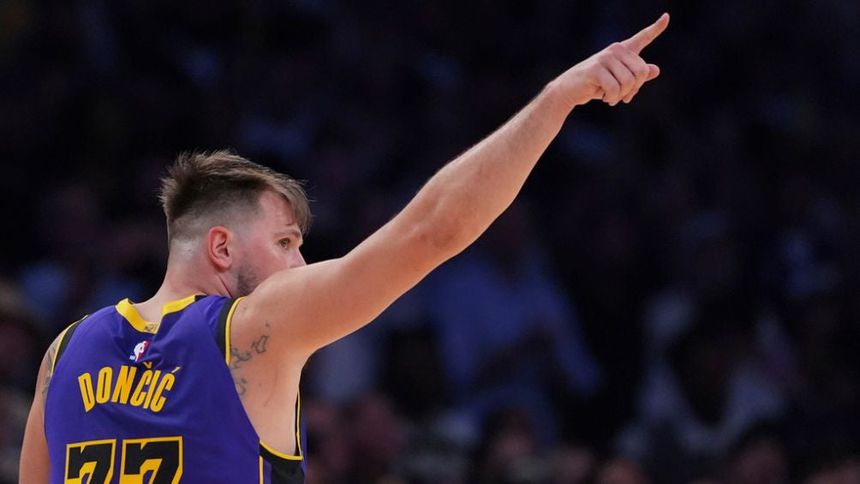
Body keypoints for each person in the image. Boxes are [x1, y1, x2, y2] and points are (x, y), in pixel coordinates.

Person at [19, 13, 670, 483]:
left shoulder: (64, 354)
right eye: (285, 242)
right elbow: (431, 230)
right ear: (221, 247)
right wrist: (557, 100)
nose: (300, 265)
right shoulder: (251, 330)